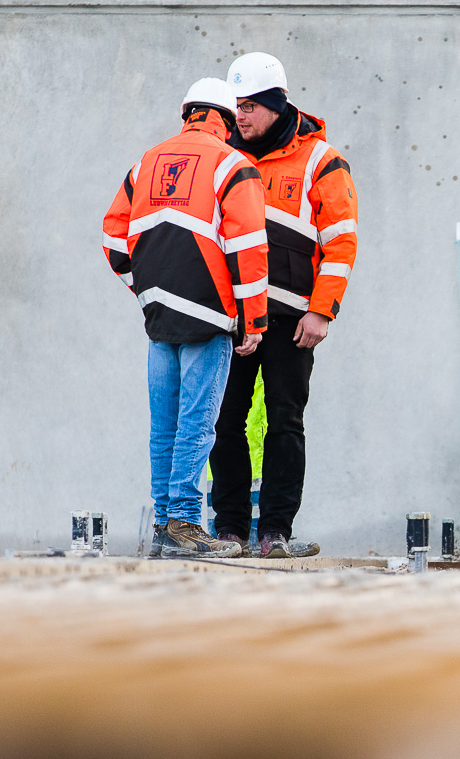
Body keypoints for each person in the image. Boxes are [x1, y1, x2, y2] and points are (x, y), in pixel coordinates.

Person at [102, 77, 268, 558]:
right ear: (225, 118)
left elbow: (114, 241)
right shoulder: (233, 164)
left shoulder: (146, 162)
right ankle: (185, 525)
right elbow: (249, 249)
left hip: (160, 317)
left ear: (187, 113)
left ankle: (163, 527)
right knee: (197, 424)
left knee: (165, 426)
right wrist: (253, 321)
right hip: (210, 316)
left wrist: (148, 291)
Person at [206, 52, 359, 558]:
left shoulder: (321, 159)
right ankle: (227, 528)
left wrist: (322, 310)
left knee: (285, 422)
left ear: (276, 104)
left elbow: (341, 242)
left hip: (293, 320)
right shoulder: (224, 155)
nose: (241, 116)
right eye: (236, 107)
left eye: (249, 106)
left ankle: (275, 531)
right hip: (232, 318)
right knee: (225, 422)